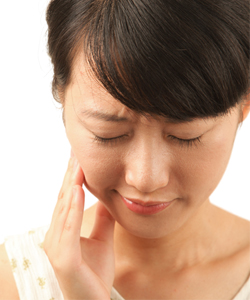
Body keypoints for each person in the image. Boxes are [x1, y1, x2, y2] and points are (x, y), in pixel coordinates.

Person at [0, 0, 250, 299]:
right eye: (108, 134)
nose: (146, 178)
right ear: (62, 101)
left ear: (243, 106)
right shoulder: (14, 281)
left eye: (186, 135)